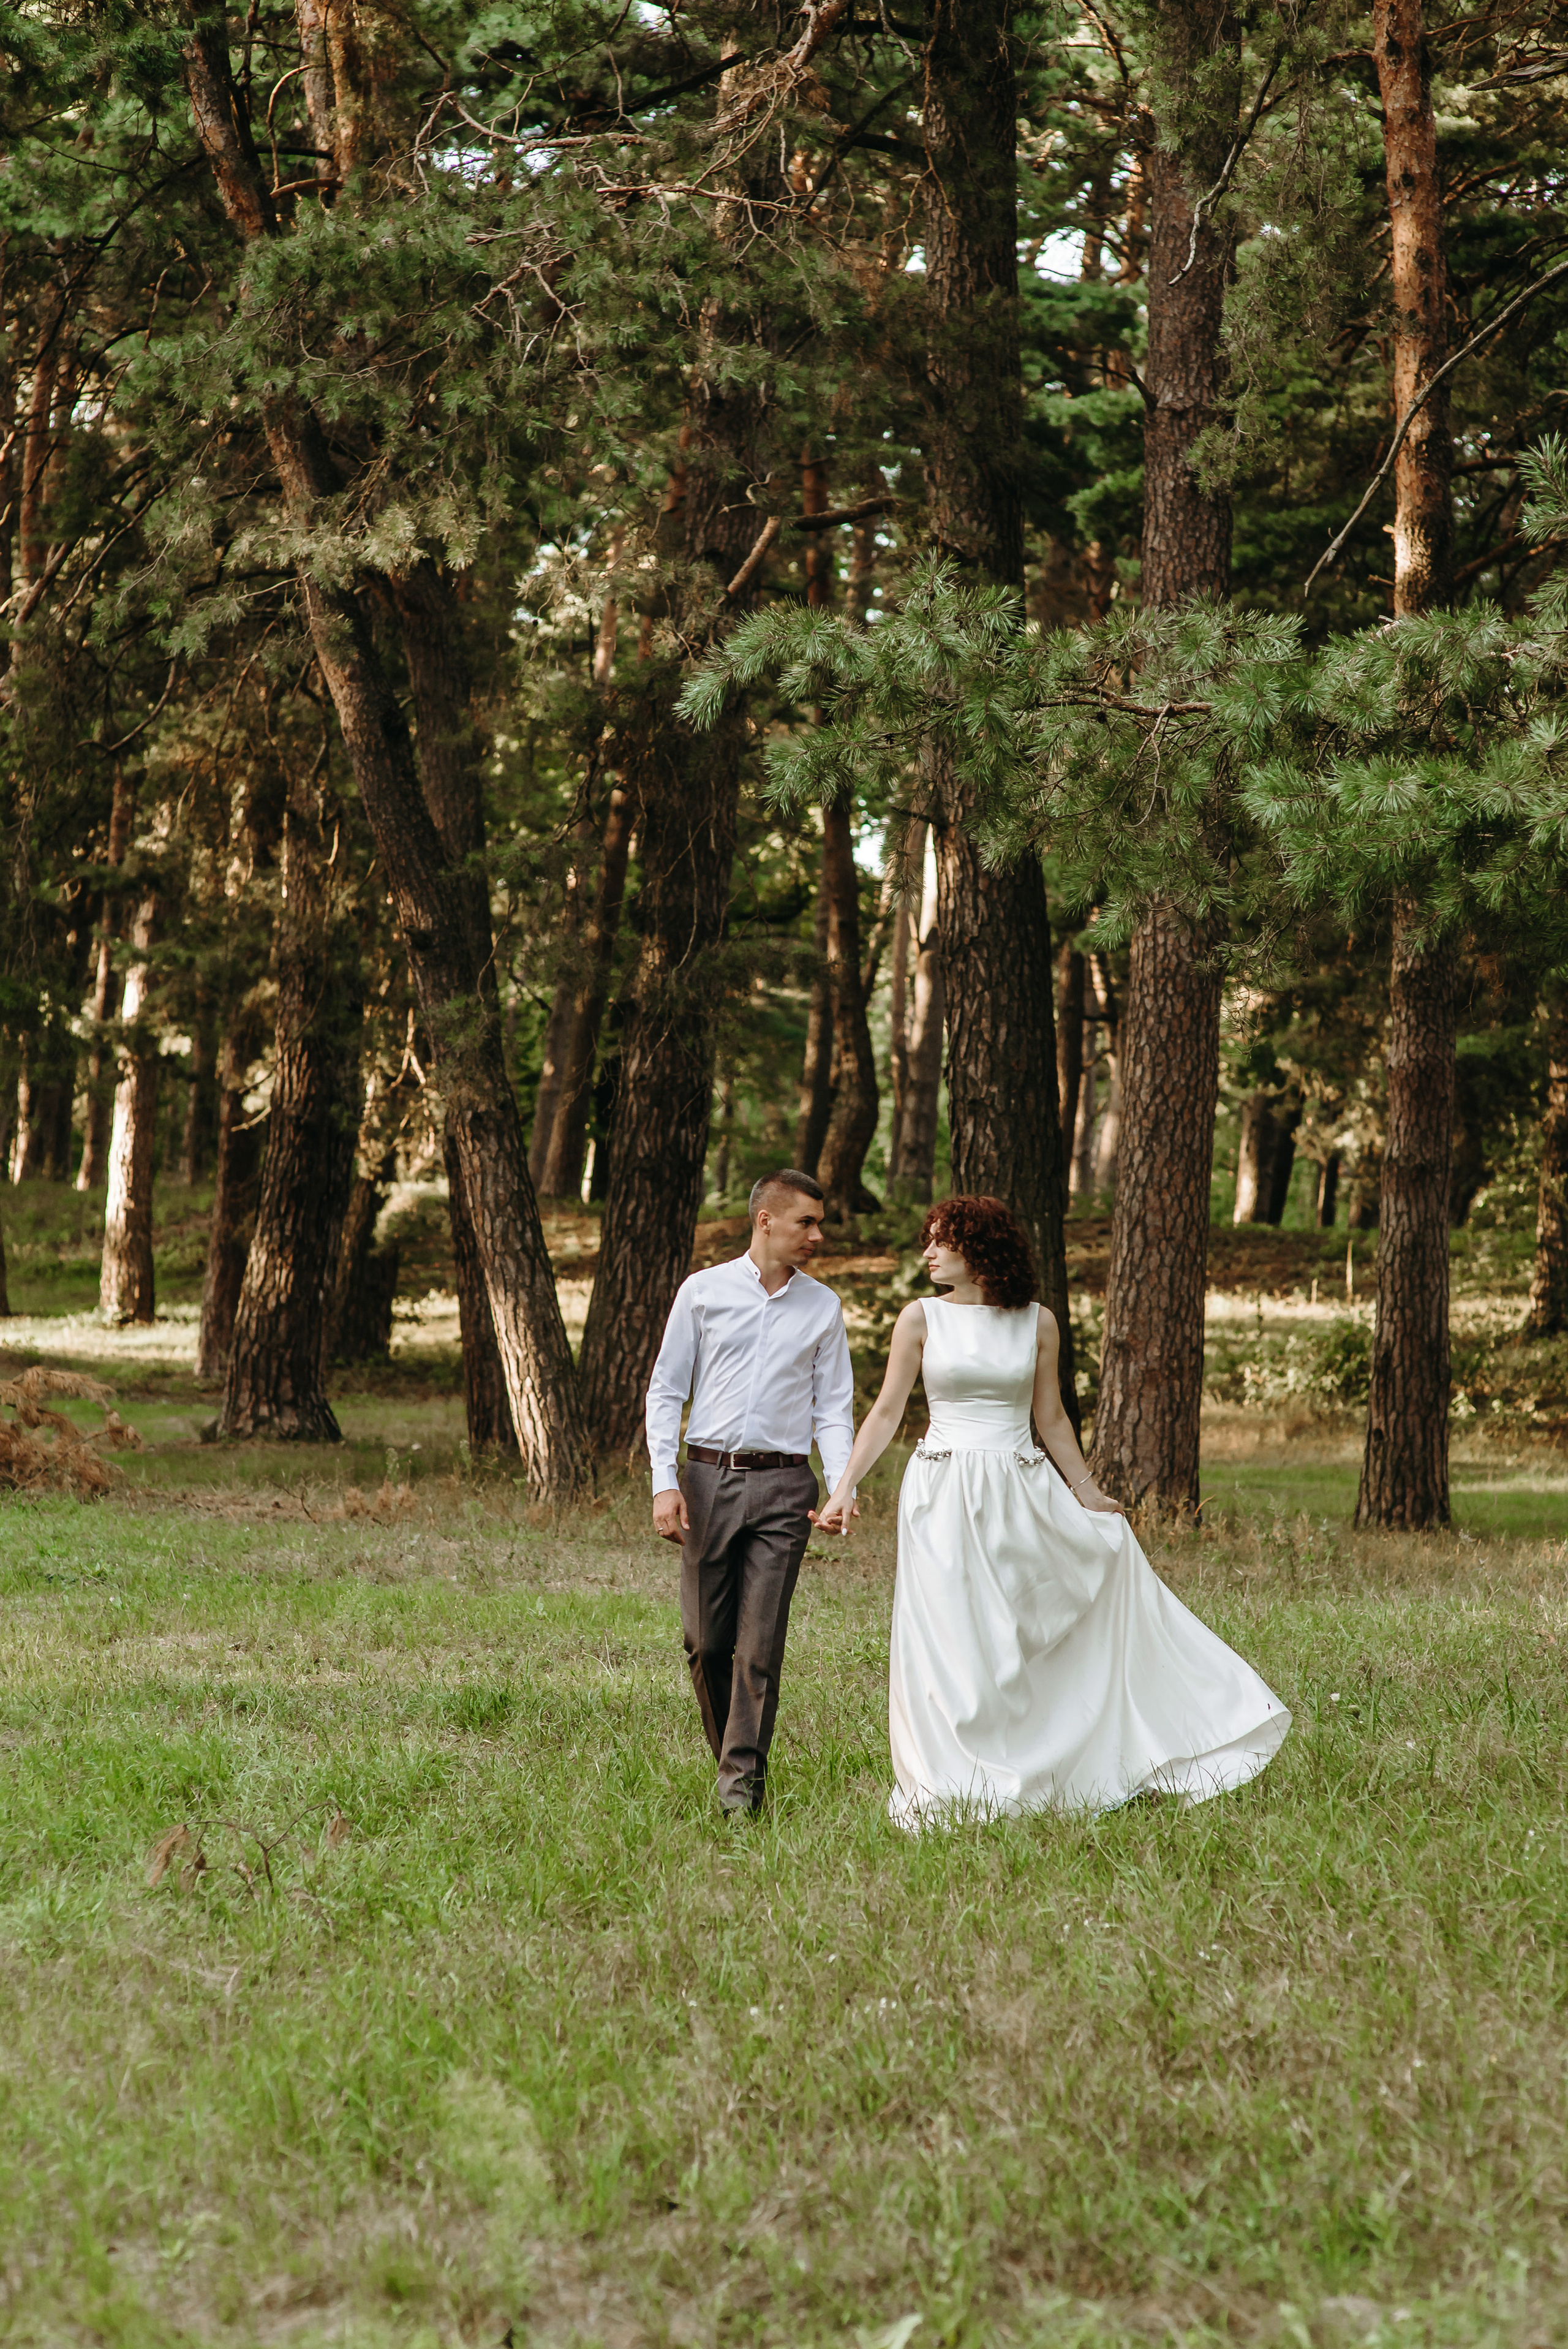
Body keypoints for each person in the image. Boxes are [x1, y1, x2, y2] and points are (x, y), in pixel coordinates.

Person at [815, 1194, 1290, 1828]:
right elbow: (886, 1412)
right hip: (943, 1490)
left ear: (976, 1249)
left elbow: (1051, 1417)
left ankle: (1056, 1755)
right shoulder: (920, 1319)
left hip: (1019, 1488)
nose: (927, 1252)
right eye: (927, 1240)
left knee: (1017, 1629)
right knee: (949, 1633)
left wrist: (1087, 1491)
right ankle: (948, 1779)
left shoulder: (1036, 1321)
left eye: (940, 1241)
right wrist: (845, 1485)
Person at [646, 1168, 856, 1817]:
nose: (816, 1235)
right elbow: (666, 1390)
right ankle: (732, 1758)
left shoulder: (822, 1307)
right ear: (765, 1221)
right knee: (706, 1643)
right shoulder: (702, 1293)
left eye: (819, 1223)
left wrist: (842, 1484)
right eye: (806, 1222)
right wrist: (664, 1482)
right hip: (707, 1481)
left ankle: (741, 1792)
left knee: (759, 1646)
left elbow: (833, 1410)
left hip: (786, 1487)